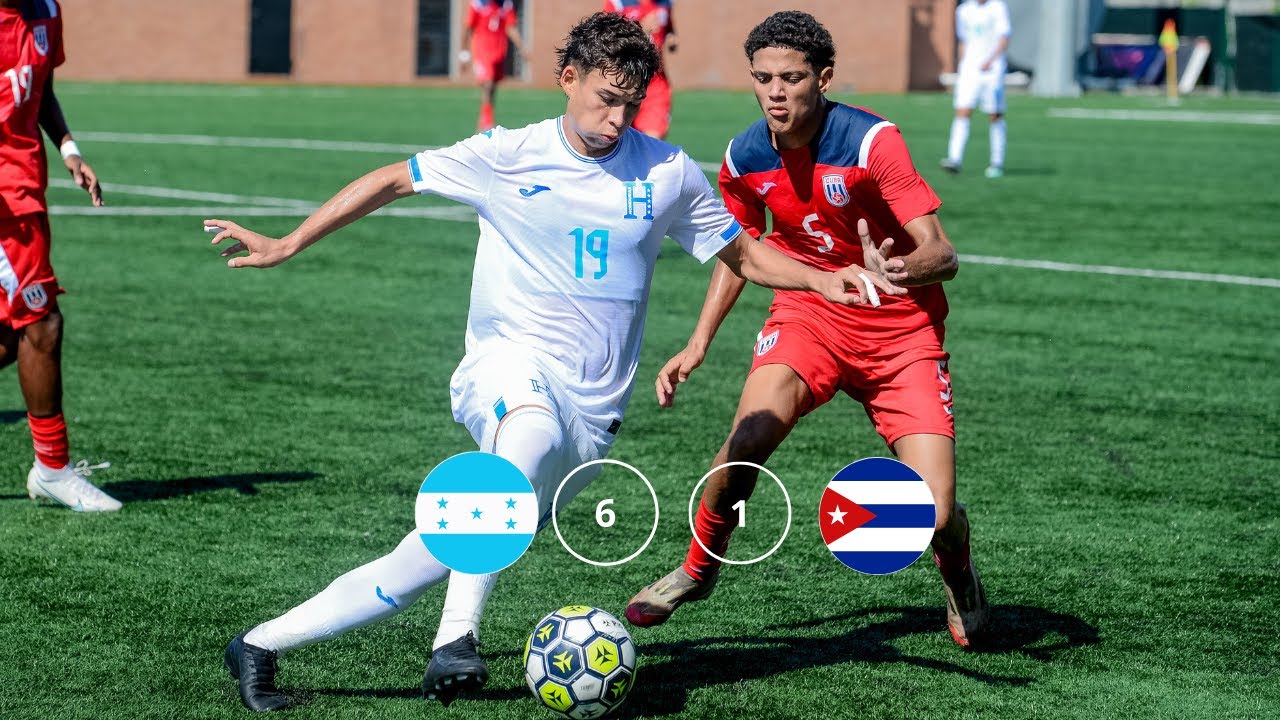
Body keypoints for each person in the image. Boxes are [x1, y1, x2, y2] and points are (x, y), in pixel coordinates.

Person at [213, 12, 895, 713]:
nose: (616, 118)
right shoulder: (507, 153)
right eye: (605, 98)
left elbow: (745, 253)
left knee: (428, 556)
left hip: (592, 423)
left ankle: (260, 644)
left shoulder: (666, 171)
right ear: (568, 79)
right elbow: (395, 180)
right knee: (527, 432)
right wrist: (288, 242)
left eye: (631, 104)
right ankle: (457, 639)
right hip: (505, 369)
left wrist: (820, 277)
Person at [624, 10, 990, 648]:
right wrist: (698, 342)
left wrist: (899, 267)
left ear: (823, 78)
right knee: (745, 444)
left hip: (900, 330)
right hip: (809, 316)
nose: (774, 92)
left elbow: (944, 252)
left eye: (790, 78)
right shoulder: (744, 155)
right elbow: (739, 253)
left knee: (933, 513)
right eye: (762, 78)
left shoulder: (873, 142)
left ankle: (957, 568)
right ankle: (697, 568)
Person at [0, 0, 115, 512]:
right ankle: (51, 468)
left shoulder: (46, 10)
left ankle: (50, 467)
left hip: (27, 193)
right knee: (41, 323)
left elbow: (39, 86)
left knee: (16, 332)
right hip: (3, 201)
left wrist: (68, 147)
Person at [940, 0, 1011, 178]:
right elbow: (963, 40)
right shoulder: (964, 10)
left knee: (994, 114)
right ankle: (954, 158)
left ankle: (997, 162)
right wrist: (963, 63)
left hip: (992, 70)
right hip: (970, 70)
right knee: (962, 111)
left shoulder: (997, 7)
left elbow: (1004, 37)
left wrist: (991, 60)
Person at [603, 0, 677, 139]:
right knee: (617, 141)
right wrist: (641, 29)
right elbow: (606, 40)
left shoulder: (666, 2)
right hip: (622, 85)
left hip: (655, 85)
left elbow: (667, 28)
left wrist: (671, 37)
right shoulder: (617, 3)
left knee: (651, 144)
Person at [461, 0, 527, 132]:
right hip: (481, 50)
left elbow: (510, 27)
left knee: (492, 87)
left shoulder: (505, 4)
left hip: (498, 51)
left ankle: (484, 120)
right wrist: (464, 54)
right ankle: (486, 121)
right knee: (488, 83)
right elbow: (468, 28)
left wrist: (522, 48)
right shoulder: (478, 4)